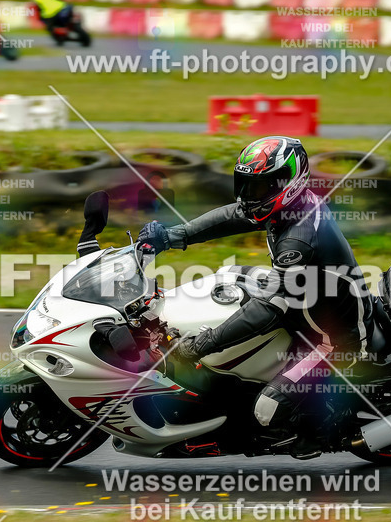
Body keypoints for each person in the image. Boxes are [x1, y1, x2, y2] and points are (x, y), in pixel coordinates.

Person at [138, 136, 374, 456]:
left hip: (332, 336)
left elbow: (268, 309)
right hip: (304, 303)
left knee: (266, 409)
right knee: (226, 278)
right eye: (246, 185)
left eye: (259, 187)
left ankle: (315, 432)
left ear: (288, 183)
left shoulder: (298, 241)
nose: (249, 196)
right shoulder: (288, 206)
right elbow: (232, 215)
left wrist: (199, 346)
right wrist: (171, 236)